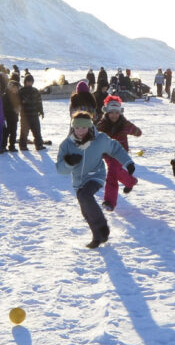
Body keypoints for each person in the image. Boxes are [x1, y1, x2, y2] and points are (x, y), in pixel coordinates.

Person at [57, 112, 132, 248]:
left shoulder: (100, 139)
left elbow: (115, 148)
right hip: (79, 180)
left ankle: (102, 229)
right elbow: (61, 170)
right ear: (72, 127)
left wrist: (128, 162)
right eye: (77, 127)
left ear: (90, 127)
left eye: (84, 127)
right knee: (85, 209)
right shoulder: (67, 145)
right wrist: (68, 162)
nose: (80, 131)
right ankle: (97, 236)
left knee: (86, 196)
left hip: (96, 175)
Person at [96, 94, 143, 210]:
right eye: (111, 112)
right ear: (106, 112)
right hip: (107, 154)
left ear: (120, 112)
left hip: (121, 154)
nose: (114, 115)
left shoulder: (124, 124)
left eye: (117, 112)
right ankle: (130, 181)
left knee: (113, 172)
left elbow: (138, 132)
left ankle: (109, 202)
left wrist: (135, 130)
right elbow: (94, 137)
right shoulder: (102, 125)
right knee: (114, 172)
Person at [17, 72, 47, 150]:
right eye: (28, 81)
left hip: (34, 115)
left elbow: (39, 102)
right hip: (25, 116)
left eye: (31, 82)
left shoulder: (35, 91)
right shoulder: (21, 91)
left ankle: (39, 145)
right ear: (25, 82)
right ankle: (23, 145)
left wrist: (41, 111)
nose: (29, 83)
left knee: (37, 131)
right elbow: (18, 103)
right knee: (24, 132)